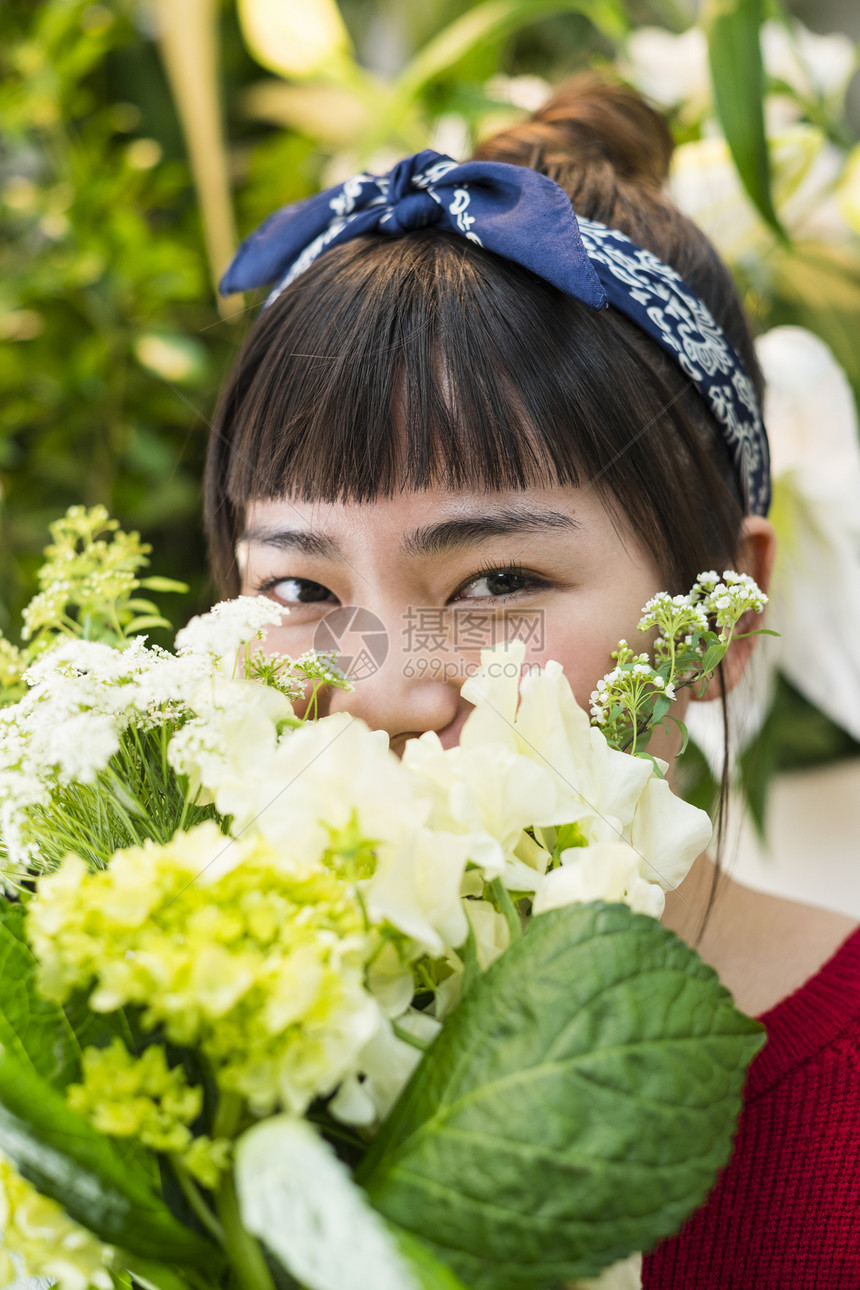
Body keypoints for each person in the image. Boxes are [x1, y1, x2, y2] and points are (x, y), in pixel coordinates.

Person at [205, 77, 860, 1286]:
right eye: (303, 593)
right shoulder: (174, 1078)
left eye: (495, 581)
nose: (390, 691)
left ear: (722, 608)